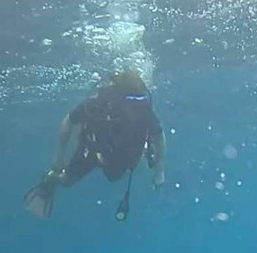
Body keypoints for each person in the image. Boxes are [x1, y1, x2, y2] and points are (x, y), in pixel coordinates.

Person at [24, 70, 166, 221]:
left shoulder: (128, 107)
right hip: (99, 152)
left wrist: (159, 170)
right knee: (75, 179)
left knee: (92, 178)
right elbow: (69, 120)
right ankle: (52, 179)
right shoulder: (113, 105)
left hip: (104, 152)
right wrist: (58, 156)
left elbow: (69, 120)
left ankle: (53, 179)